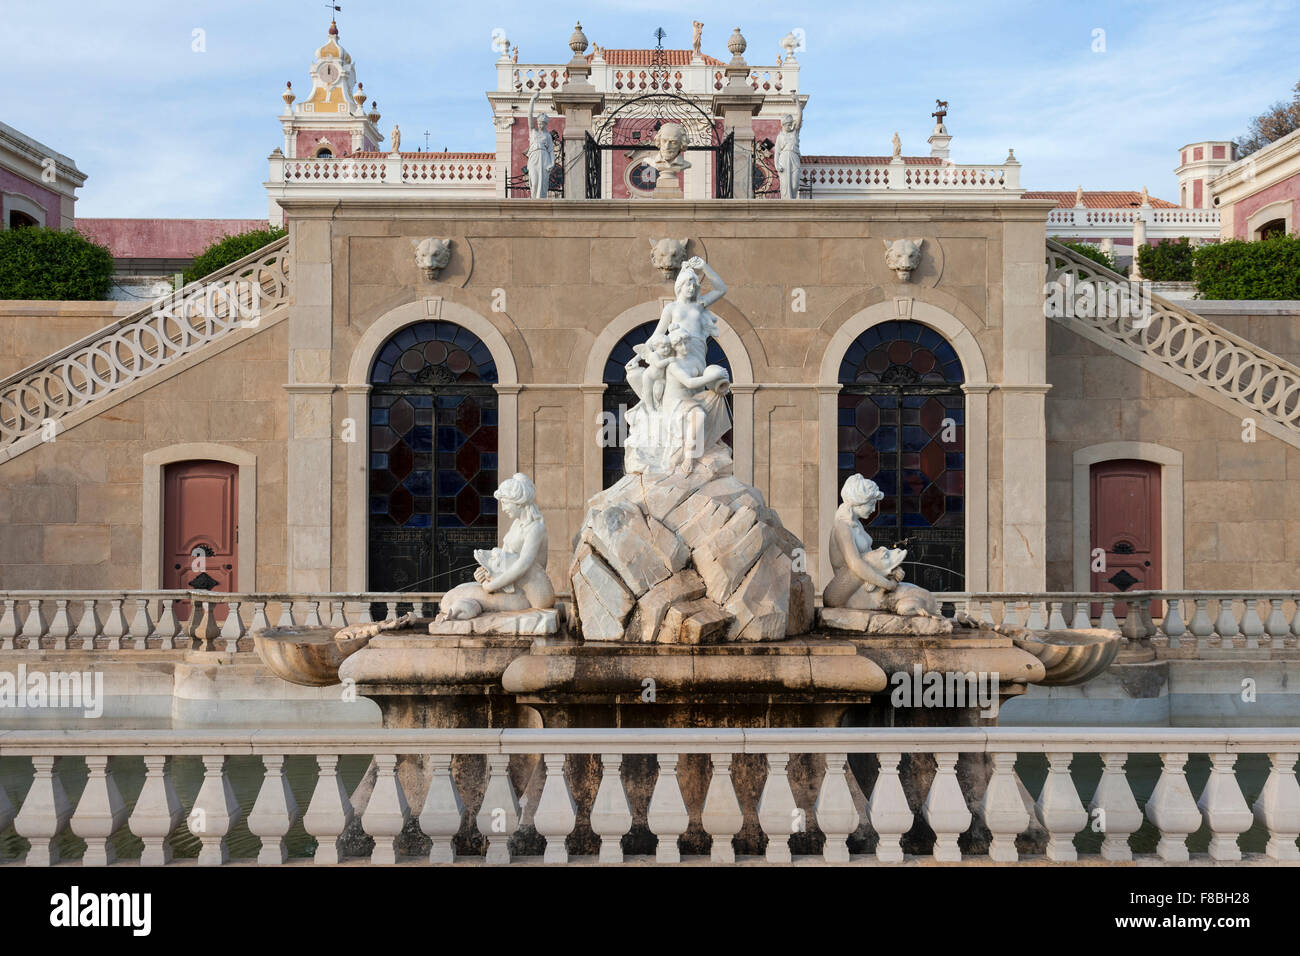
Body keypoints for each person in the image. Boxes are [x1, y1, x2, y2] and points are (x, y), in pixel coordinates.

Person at [438, 473, 553, 620]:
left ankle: (463, 610)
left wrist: (490, 586)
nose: (503, 508)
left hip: (530, 597)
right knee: (460, 590)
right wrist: (487, 573)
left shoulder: (535, 528)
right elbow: (504, 560)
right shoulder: (517, 525)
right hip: (511, 588)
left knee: (457, 596)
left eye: (505, 503)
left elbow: (523, 565)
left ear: (518, 502)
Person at [823, 473, 937, 616]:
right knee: (895, 586)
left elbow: (875, 563)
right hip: (848, 590)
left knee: (913, 591)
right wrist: (886, 583)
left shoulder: (855, 524)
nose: (874, 509)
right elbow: (856, 564)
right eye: (871, 504)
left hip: (865, 582)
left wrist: (891, 571)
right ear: (858, 502)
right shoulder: (842, 527)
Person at [526, 91, 555, 198]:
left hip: (544, 158)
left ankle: (541, 200)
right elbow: (529, 116)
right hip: (534, 157)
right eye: (538, 123)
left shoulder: (547, 136)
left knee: (542, 183)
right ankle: (534, 202)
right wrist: (532, 100)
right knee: (534, 182)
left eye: (542, 123)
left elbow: (551, 150)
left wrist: (552, 163)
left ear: (545, 124)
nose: (539, 125)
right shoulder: (533, 131)